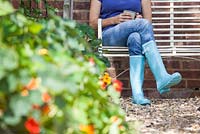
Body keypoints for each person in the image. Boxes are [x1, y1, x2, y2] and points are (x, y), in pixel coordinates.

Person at [89, 0, 182, 105]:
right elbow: (92, 23)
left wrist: (137, 21)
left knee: (136, 38)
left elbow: (148, 23)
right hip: (109, 34)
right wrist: (114, 20)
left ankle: (137, 95)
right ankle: (161, 77)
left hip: (132, 31)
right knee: (142, 25)